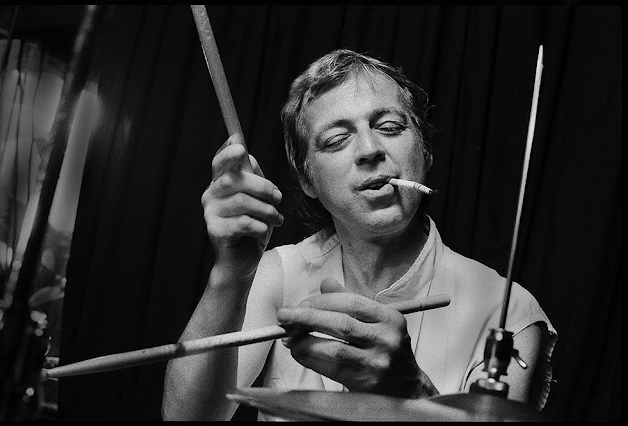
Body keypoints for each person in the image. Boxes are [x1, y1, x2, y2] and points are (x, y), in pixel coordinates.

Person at [162, 49, 557, 421]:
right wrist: (231, 273)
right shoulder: (278, 274)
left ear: (426, 152)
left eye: (390, 127)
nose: (369, 149)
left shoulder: (509, 312)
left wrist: (411, 393)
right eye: (336, 140)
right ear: (308, 180)